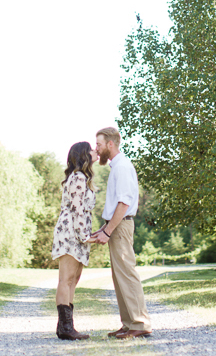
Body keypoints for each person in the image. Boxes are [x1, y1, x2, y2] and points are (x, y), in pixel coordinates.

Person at [88, 126, 153, 339]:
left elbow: (124, 203)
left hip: (121, 225)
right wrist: (104, 229)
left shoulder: (122, 166)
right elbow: (116, 203)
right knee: (119, 276)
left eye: (98, 144)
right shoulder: (116, 166)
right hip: (115, 225)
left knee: (127, 273)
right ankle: (128, 323)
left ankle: (140, 324)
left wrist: (108, 232)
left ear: (110, 144)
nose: (96, 150)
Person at [51, 141, 97, 340]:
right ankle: (66, 328)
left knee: (73, 280)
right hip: (71, 232)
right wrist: (84, 236)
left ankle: (64, 327)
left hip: (77, 231)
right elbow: (78, 209)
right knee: (66, 279)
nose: (96, 151)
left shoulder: (82, 178)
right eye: (92, 149)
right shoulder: (78, 178)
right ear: (85, 155)